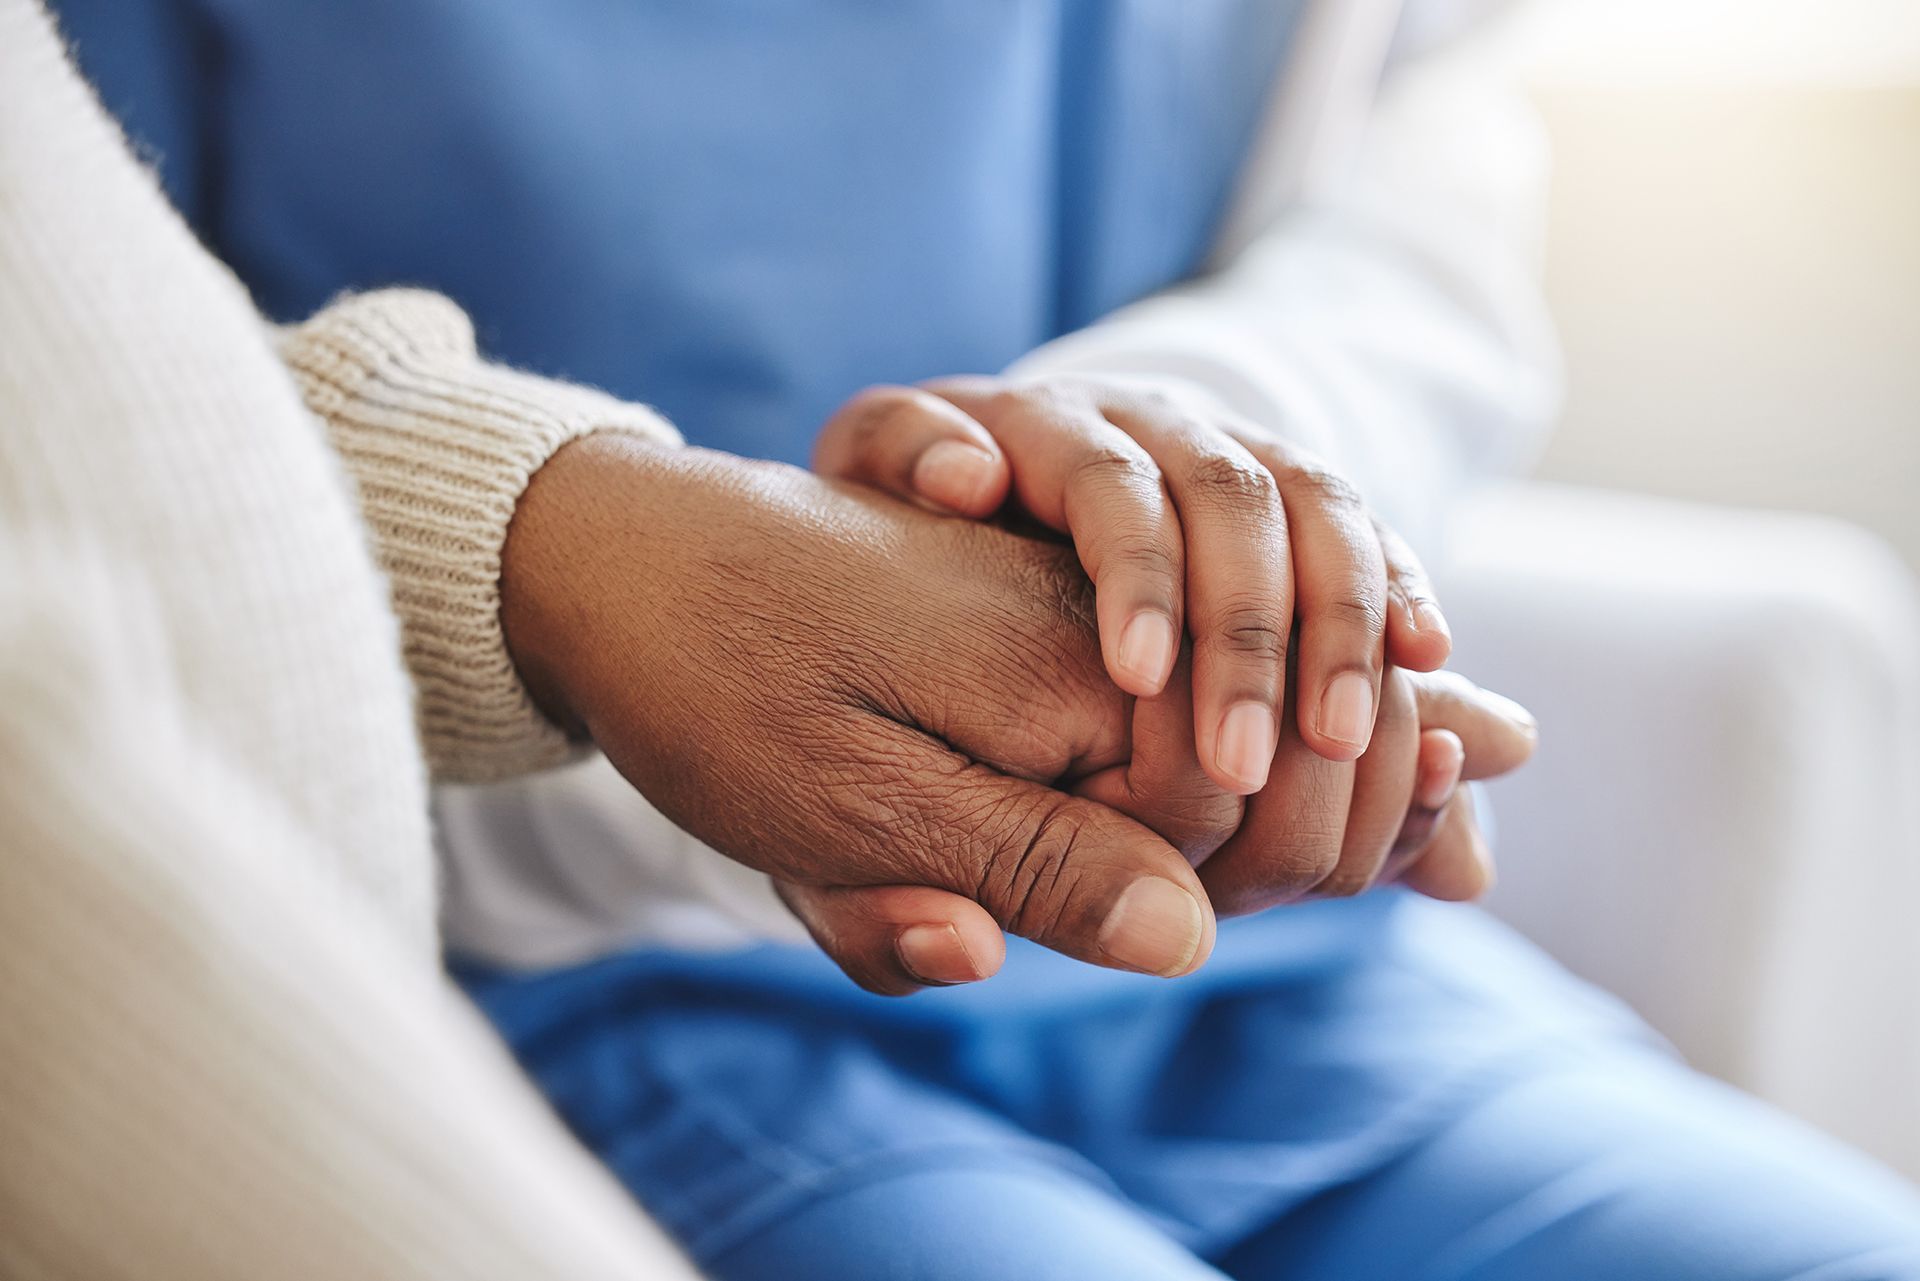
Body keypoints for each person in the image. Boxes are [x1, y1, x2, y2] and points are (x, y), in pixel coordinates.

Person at [40, 1, 1920, 1279]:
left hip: (1288, 986)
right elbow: (98, 432)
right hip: (537, 980)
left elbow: (1408, 206)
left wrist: (1150, 525)